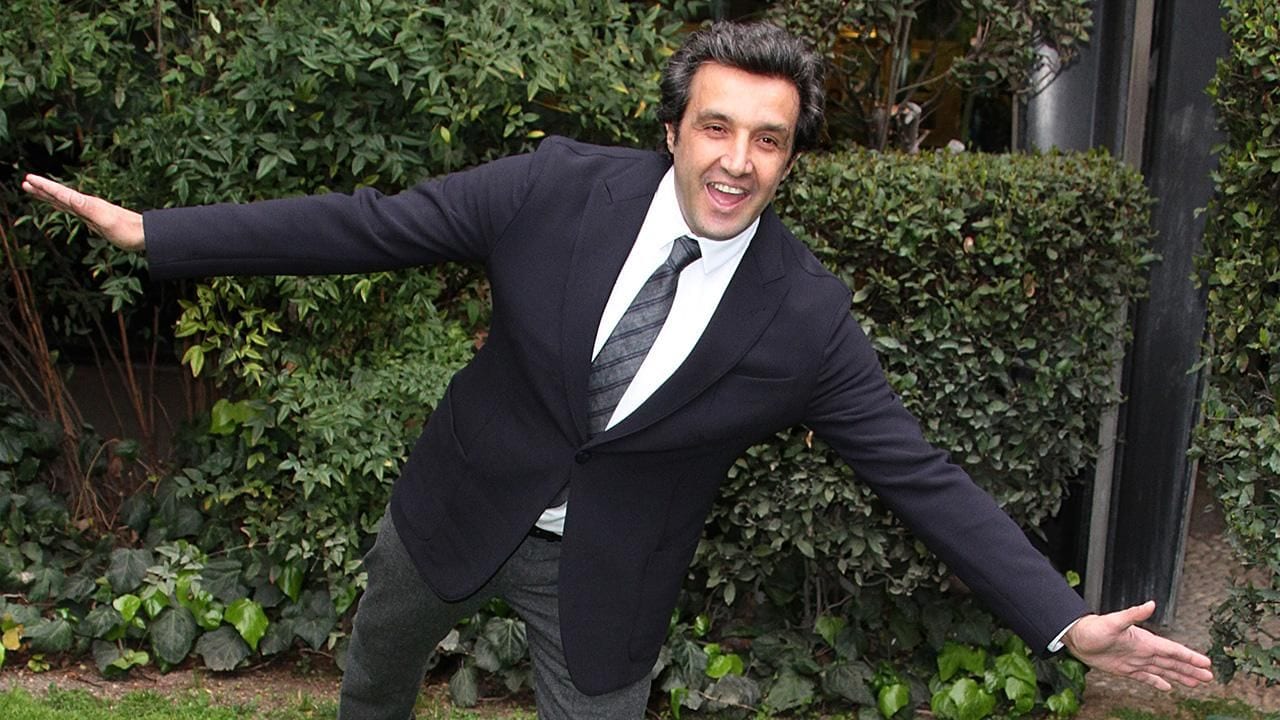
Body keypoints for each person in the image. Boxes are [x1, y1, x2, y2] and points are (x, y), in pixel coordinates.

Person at [24, 20, 1213, 720]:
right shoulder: (553, 189)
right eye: (716, 127)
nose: (737, 161)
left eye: (767, 140)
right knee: (374, 684)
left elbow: (918, 476)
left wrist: (1062, 620)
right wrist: (157, 233)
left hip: (604, 573)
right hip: (455, 506)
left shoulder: (802, 316)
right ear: (672, 128)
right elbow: (370, 225)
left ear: (789, 158)